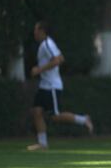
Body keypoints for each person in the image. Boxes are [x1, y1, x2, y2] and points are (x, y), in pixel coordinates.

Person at [27, 20, 94, 151]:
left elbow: (59, 59)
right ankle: (43, 144)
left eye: (36, 30)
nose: (34, 32)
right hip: (44, 86)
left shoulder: (47, 44)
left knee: (55, 116)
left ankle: (83, 119)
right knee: (37, 112)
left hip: (52, 86)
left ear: (41, 31)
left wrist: (39, 70)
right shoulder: (43, 45)